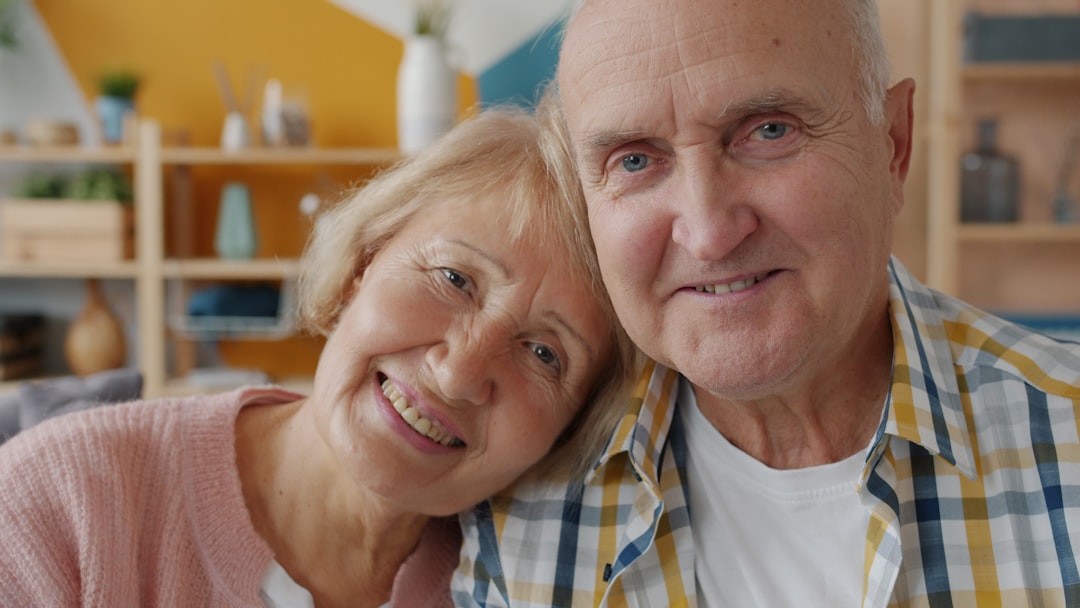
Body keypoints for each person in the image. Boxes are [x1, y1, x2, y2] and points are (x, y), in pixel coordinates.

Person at [452, 0, 1080, 606]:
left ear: (893, 144)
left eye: (769, 131)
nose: (708, 232)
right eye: (635, 160)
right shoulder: (515, 507)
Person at [0, 106, 637, 607]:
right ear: (362, 267)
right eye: (453, 278)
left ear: (569, 428)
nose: (459, 372)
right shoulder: (56, 503)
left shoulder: (515, 589)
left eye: (544, 355)